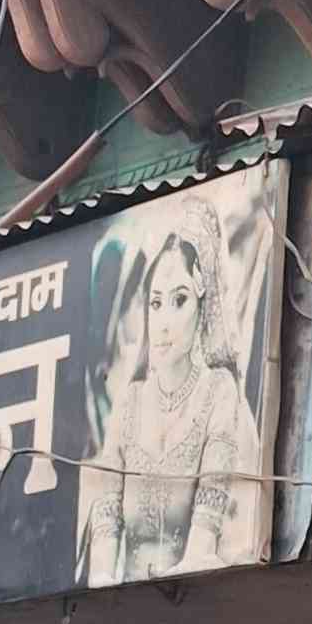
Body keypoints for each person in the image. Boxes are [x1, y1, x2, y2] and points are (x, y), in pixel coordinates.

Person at [78, 219, 267, 584]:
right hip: (124, 603)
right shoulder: (130, 402)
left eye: (179, 301)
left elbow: (206, 531)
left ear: (202, 306)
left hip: (196, 598)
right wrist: (102, 584)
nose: (163, 322)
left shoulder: (218, 391)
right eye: (156, 303)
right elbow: (106, 518)